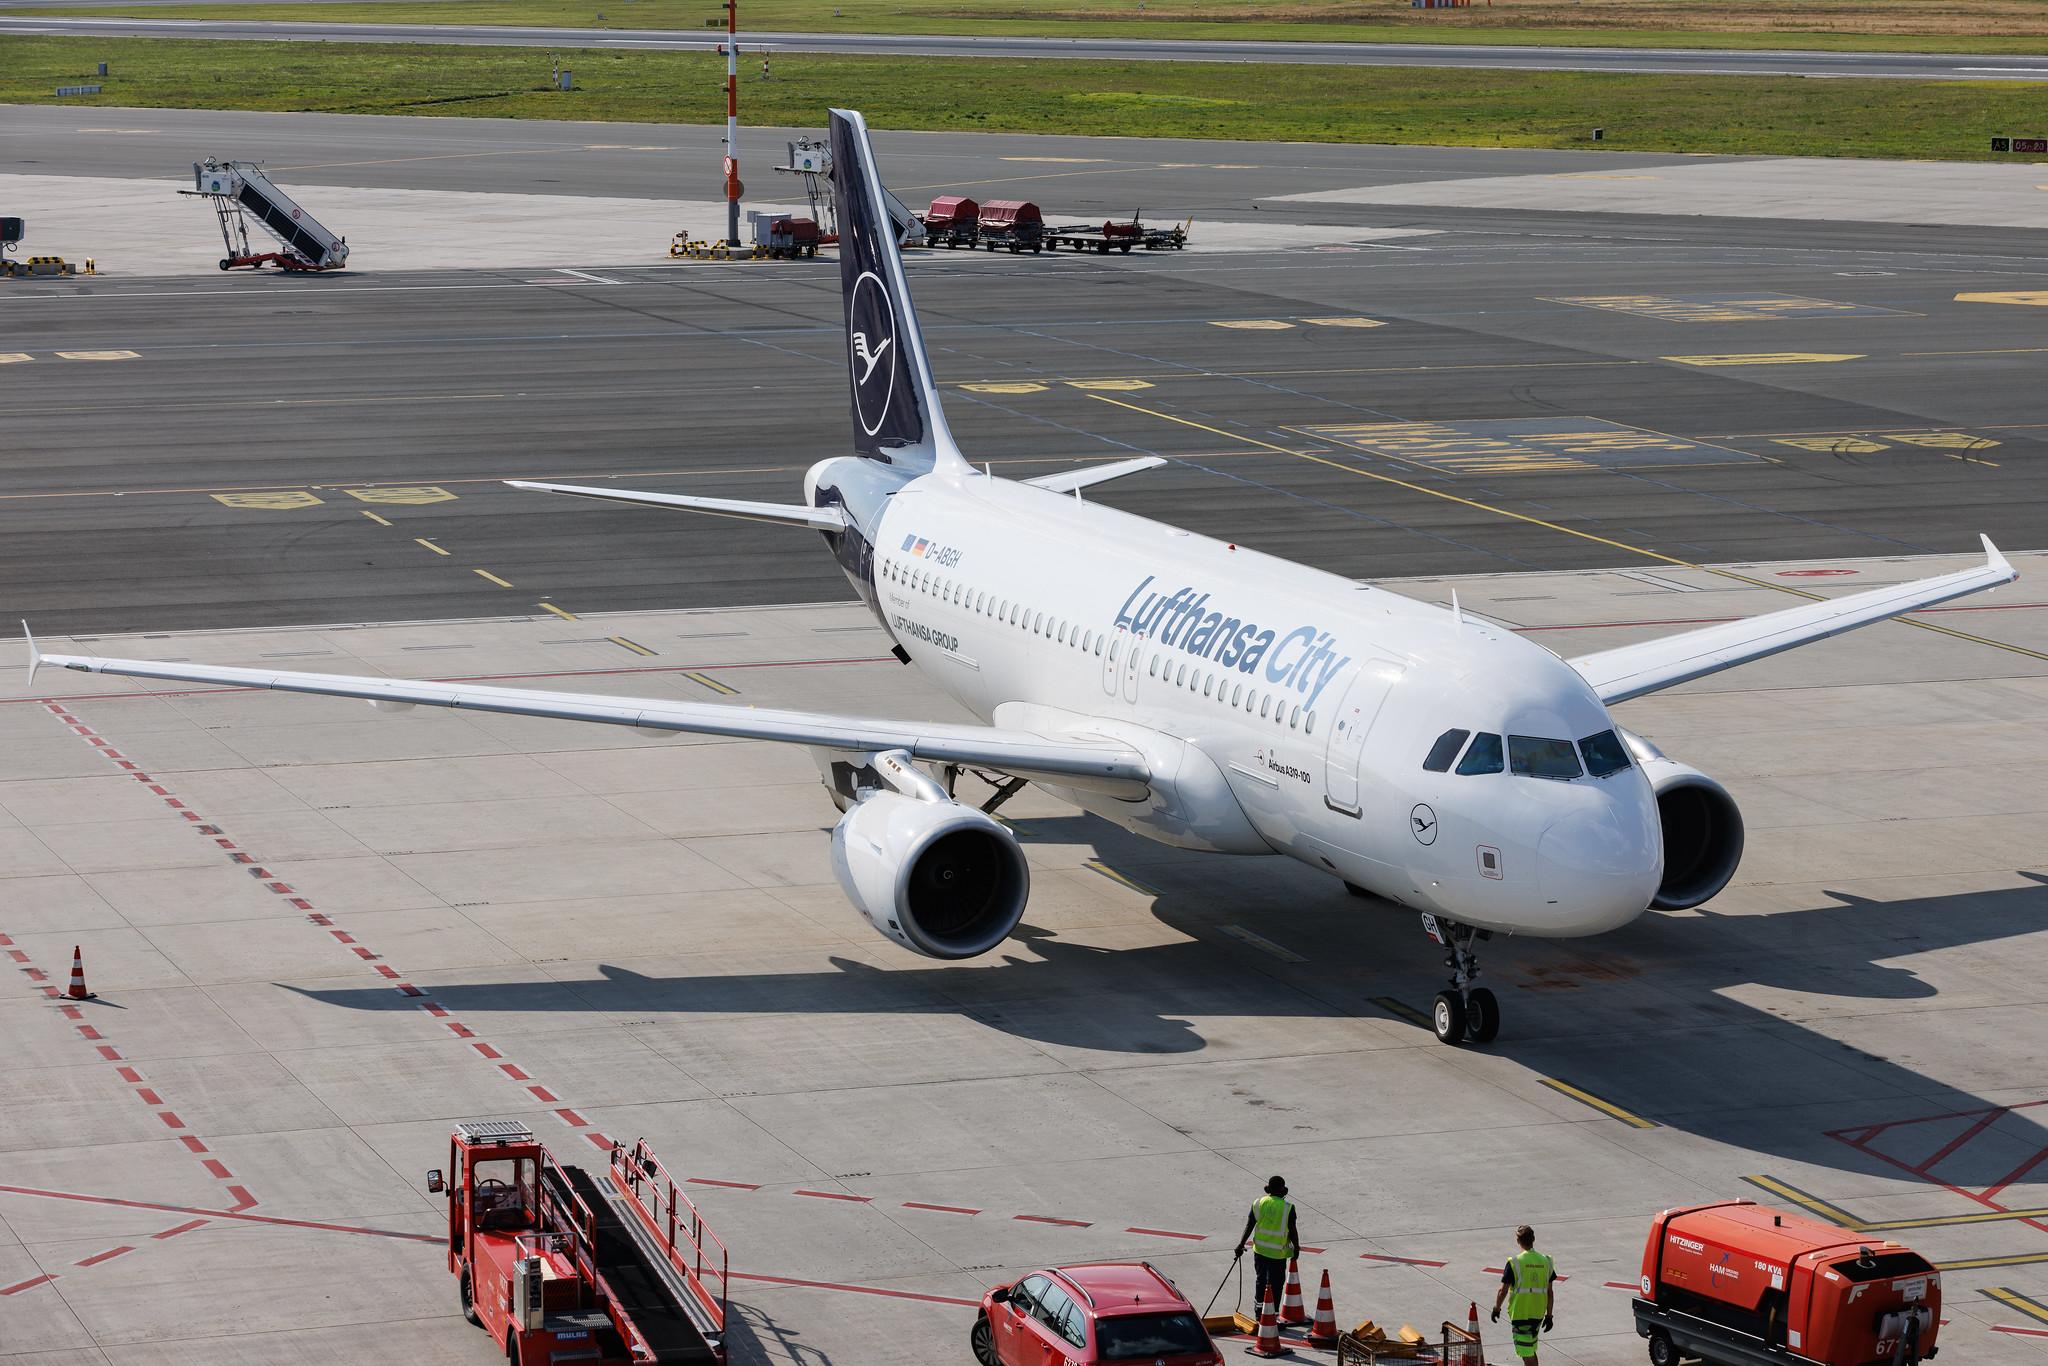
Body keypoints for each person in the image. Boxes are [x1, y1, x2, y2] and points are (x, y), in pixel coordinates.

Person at [1235, 1176, 1300, 1317]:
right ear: (1283, 1189)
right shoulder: (1288, 1208)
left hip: (1260, 1251)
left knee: (1261, 1280)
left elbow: (1249, 1225)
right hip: (1278, 1254)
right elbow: (1293, 1230)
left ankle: (1259, 1312)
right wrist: (1297, 1248)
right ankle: (1272, 1314)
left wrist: (1241, 1244)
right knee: (1276, 1285)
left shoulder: (1258, 1203)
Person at [1491, 1225, 1556, 1365]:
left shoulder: (1514, 1263)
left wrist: (1496, 1308)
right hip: (1538, 1314)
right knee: (1530, 1349)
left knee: (1526, 1353)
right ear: (1533, 1239)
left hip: (1521, 1314)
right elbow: (1550, 1293)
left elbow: (1502, 1291)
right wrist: (1549, 1316)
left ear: (1518, 1241)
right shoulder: (1546, 1261)